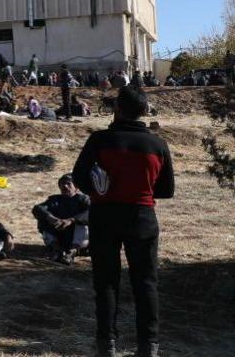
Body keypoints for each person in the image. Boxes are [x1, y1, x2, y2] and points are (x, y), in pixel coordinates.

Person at [71, 87, 174, 357]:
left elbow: (79, 177)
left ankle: (106, 345)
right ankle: (148, 346)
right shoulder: (158, 145)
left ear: (117, 108)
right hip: (142, 217)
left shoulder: (100, 140)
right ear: (144, 111)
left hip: (105, 215)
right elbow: (166, 190)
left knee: (105, 282)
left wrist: (100, 187)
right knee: (146, 283)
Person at [33, 174, 90, 265]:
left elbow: (93, 212)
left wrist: (71, 220)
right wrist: (51, 218)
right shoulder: (55, 200)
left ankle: (71, 253)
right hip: (61, 235)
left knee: (85, 224)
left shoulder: (84, 200)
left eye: (68, 184)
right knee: (43, 218)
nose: (65, 186)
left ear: (76, 187)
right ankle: (57, 250)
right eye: (62, 184)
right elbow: (38, 209)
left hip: (80, 240)